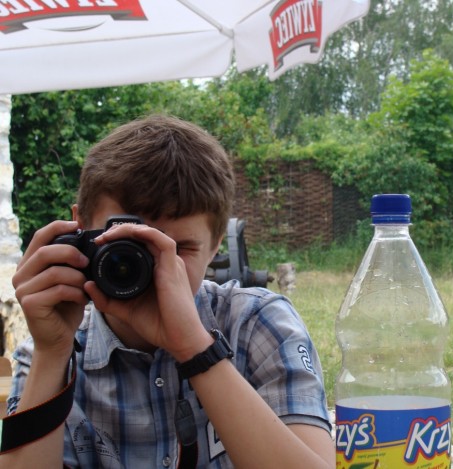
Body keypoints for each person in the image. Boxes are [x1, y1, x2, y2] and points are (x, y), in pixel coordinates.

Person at [1, 115, 333, 468]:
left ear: (216, 245)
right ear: (79, 227)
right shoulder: (50, 352)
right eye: (128, 246)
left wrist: (195, 349)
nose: (155, 267)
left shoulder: (257, 325)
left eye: (180, 249)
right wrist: (52, 354)